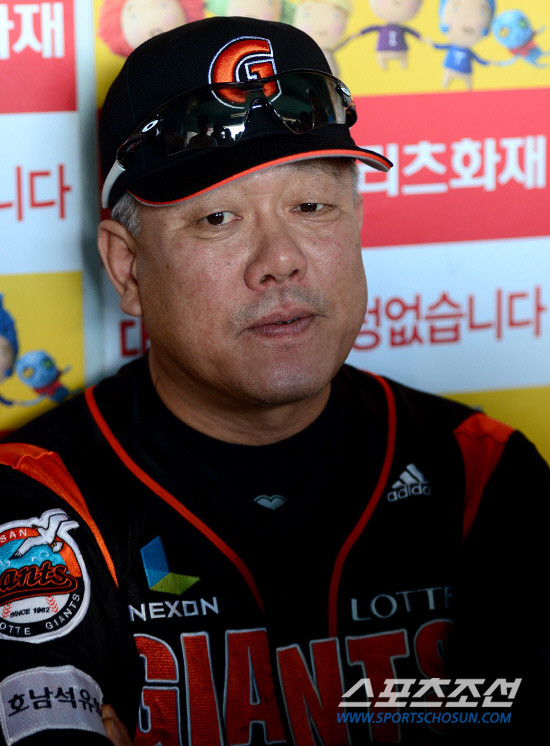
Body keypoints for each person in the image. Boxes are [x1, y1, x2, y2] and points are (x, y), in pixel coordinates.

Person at [0, 15, 548, 746]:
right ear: (127, 269)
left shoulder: (480, 468)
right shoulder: (35, 498)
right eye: (218, 218)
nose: (280, 261)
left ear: (355, 220)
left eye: (311, 206)